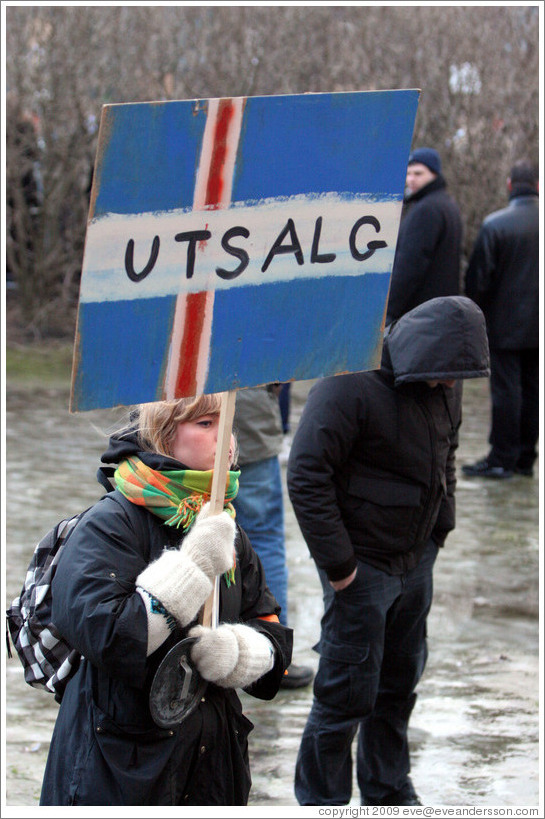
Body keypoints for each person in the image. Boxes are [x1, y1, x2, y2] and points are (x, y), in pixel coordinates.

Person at [40, 394, 292, 806]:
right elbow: (105, 634)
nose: (224, 437)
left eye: (226, 423)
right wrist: (190, 568)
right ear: (164, 436)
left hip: (213, 764)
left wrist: (238, 654)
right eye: (205, 424)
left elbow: (273, 639)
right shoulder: (111, 522)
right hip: (120, 763)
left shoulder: (225, 524)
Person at [287, 295, 490, 806]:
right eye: (445, 374)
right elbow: (307, 476)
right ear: (422, 354)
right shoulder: (348, 381)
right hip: (362, 567)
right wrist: (340, 568)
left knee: (398, 686)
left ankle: (388, 789)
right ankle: (322, 802)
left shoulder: (445, 381)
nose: (450, 385)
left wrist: (441, 529)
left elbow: (450, 451)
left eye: (456, 376)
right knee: (343, 696)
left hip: (417, 559)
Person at [462, 159, 539, 479]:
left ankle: (502, 458)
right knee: (534, 390)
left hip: (505, 326)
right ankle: (524, 457)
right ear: (537, 186)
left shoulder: (496, 225)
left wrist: (473, 316)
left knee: (507, 392)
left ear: (509, 185)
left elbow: (478, 280)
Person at [233, 385, 314, 689]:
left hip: (181, 403)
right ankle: (273, 655)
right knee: (264, 538)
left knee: (183, 529)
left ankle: (185, 652)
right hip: (249, 407)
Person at [386, 147, 462, 324]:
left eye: (418, 173)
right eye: (409, 173)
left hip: (419, 315)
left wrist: (389, 312)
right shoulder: (446, 203)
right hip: (439, 312)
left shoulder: (426, 210)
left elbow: (410, 265)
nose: (411, 179)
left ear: (434, 174)